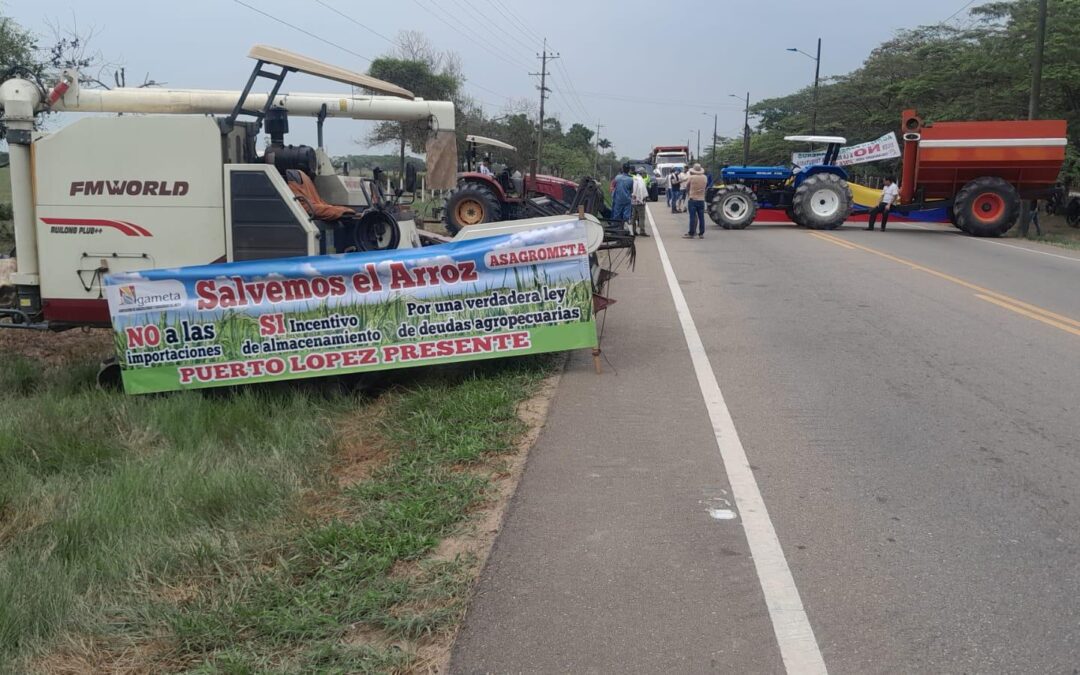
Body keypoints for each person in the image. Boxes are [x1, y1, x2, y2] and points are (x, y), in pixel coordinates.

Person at [681, 162, 708, 239]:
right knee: (701, 217)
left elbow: (687, 186)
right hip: (701, 199)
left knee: (692, 217)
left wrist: (689, 193)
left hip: (692, 199)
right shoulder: (705, 177)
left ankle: (691, 233)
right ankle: (701, 233)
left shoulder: (691, 177)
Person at [611, 163, 634, 229]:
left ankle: (616, 229)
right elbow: (632, 191)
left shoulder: (617, 177)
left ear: (622, 169)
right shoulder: (631, 179)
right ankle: (624, 229)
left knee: (616, 215)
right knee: (626, 216)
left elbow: (613, 186)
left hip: (618, 200)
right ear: (629, 170)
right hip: (627, 200)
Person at [631, 168, 650, 237]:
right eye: (644, 173)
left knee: (633, 217)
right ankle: (642, 231)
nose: (645, 174)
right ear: (642, 173)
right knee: (641, 217)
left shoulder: (634, 179)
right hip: (640, 202)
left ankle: (633, 231)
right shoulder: (641, 180)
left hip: (633, 201)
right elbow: (642, 190)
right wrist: (642, 198)